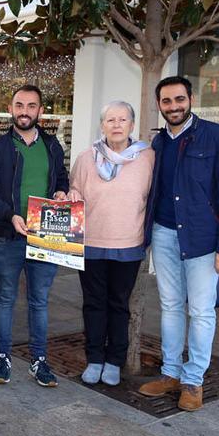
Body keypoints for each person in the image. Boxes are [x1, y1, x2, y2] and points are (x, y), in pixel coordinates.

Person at [138, 76, 219, 411]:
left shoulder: (217, 138)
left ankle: (193, 381)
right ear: (159, 104)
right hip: (165, 234)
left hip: (204, 242)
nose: (174, 107)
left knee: (200, 312)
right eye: (167, 101)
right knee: (170, 306)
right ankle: (170, 372)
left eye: (179, 99)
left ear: (191, 99)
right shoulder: (158, 144)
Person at [0, 84, 69, 387]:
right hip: (8, 235)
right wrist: (9, 215)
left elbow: (62, 177)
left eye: (31, 106)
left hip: (45, 236)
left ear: (40, 110)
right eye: (19, 105)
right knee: (5, 298)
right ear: (11, 109)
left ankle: (39, 359)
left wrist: (62, 191)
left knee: (40, 300)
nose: (24, 111)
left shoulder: (53, 146)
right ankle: (3, 357)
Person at [67, 101, 154, 387]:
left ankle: (114, 361)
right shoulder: (85, 158)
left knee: (119, 305)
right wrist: (68, 195)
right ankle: (94, 359)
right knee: (93, 304)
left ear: (131, 124)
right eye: (110, 120)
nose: (116, 125)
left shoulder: (148, 158)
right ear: (102, 125)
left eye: (123, 119)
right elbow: (75, 191)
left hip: (128, 245)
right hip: (90, 243)